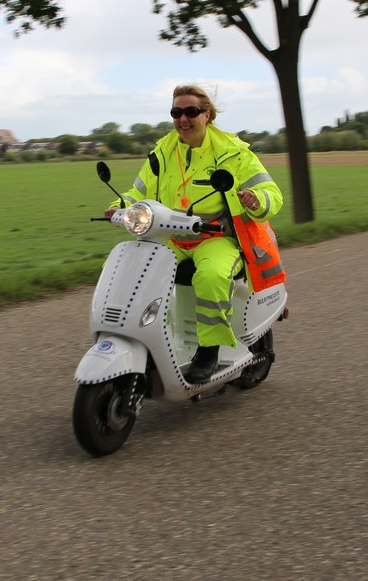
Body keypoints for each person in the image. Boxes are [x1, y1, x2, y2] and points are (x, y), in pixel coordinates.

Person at [105, 85, 283, 383]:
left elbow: (271, 192)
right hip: (170, 237)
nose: (183, 119)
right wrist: (119, 206)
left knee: (211, 276)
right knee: (130, 269)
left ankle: (209, 350)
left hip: (216, 238)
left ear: (207, 114)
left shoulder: (233, 152)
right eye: (176, 112)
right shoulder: (162, 152)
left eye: (190, 111)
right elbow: (138, 192)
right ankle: (146, 339)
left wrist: (256, 199)